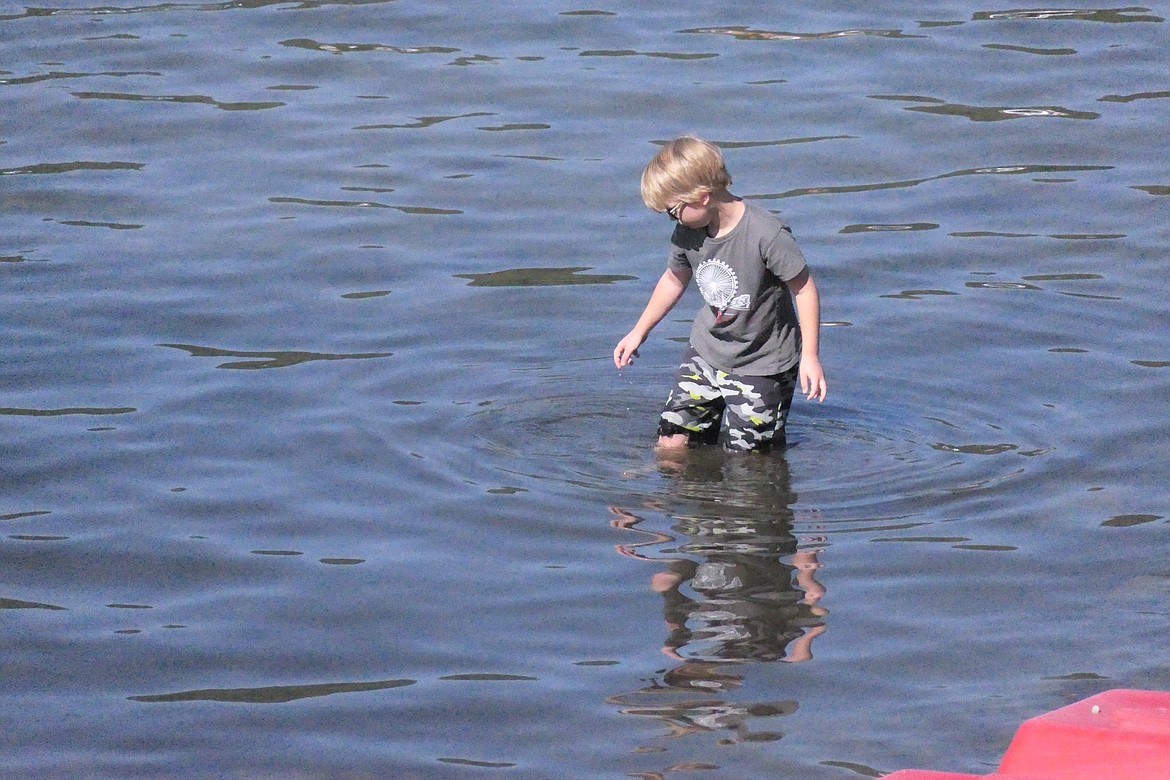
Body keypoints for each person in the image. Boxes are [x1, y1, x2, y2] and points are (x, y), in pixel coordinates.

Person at [613, 136, 828, 453]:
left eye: (673, 211)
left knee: (749, 462)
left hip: (763, 364)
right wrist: (639, 331)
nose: (671, 220)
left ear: (701, 198)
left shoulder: (766, 234)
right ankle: (677, 497)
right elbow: (675, 278)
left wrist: (810, 356)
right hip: (706, 352)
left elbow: (805, 289)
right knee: (672, 441)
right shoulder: (688, 231)